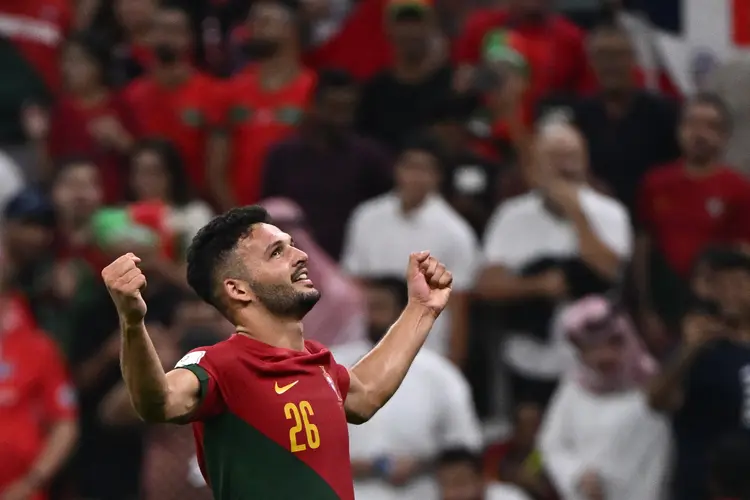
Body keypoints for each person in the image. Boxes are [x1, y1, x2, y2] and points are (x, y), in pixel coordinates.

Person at [102, 205, 455, 499]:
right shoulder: (218, 364)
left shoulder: (318, 361)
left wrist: (421, 309)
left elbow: (365, 394)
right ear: (238, 289)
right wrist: (132, 323)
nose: (301, 256)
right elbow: (157, 401)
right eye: (277, 252)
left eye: (293, 246)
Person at [333, 277, 482, 500]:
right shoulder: (334, 364)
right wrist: (359, 466)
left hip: (419, 492)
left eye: (380, 307)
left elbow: (465, 447)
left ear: (403, 312)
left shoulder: (440, 374)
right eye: (368, 307)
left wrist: (421, 464)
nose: (371, 316)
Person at [539, 296, 671, 500]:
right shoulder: (573, 388)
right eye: (592, 347)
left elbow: (661, 461)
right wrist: (578, 476)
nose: (604, 355)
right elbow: (551, 444)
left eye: (613, 343)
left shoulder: (653, 388)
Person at [648, 250, 750, 500]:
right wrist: (689, 350)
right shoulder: (697, 345)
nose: (731, 294)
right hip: (702, 485)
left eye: (739, 284)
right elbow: (657, 401)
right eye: (721, 286)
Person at [437, 448, 532, 500]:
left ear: (482, 480)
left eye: (460, 483)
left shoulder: (508, 497)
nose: (454, 493)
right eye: (446, 484)